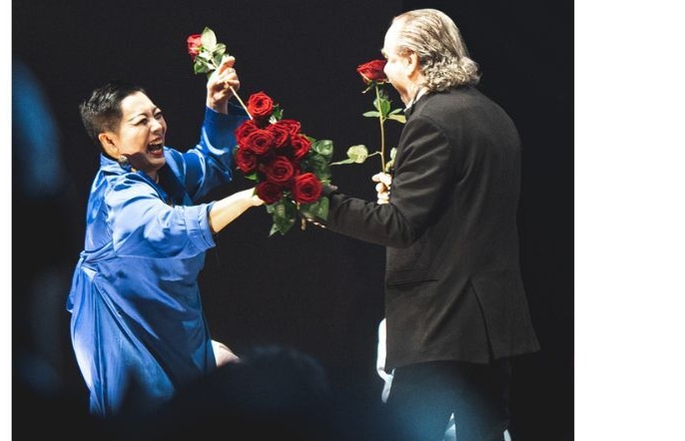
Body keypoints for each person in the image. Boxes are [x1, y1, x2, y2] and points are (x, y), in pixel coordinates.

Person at [309, 9, 540, 440]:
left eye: (389, 59)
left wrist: (320, 203)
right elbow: (465, 211)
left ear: (412, 60)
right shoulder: (492, 114)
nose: (385, 70)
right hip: (489, 325)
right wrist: (400, 197)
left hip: (443, 325)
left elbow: (399, 227)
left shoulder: (432, 120)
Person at [66, 55, 263, 421]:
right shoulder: (117, 200)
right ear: (110, 142)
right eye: (142, 121)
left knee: (230, 386)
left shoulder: (159, 166)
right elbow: (174, 227)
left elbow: (210, 164)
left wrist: (216, 105)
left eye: (157, 115)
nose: (157, 126)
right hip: (126, 334)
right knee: (154, 420)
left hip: (173, 324)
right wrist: (252, 197)